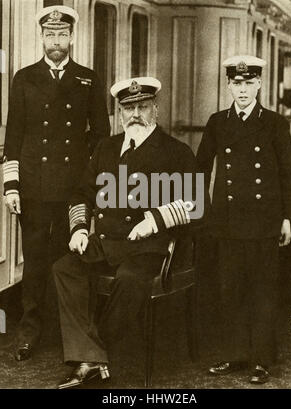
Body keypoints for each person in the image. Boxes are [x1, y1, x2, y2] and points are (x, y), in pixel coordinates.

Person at [53, 76, 203, 389]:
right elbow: (81, 193)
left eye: (142, 107)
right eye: (128, 107)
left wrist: (156, 218)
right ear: (120, 113)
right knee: (64, 268)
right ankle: (93, 356)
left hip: (150, 247)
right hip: (106, 242)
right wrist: (80, 229)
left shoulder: (176, 151)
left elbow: (198, 202)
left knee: (130, 279)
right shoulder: (105, 148)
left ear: (156, 110)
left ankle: (94, 355)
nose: (135, 114)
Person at [2, 5, 110, 361]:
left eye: (62, 35)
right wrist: (11, 187)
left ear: (72, 37)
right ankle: (30, 333)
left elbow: (102, 138)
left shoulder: (89, 79)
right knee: (33, 263)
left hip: (72, 191)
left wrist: (91, 186)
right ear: (42, 37)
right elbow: (14, 136)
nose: (56, 42)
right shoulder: (24, 78)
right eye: (50, 35)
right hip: (33, 188)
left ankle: (72, 335)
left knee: (72, 262)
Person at [196, 55, 291, 384]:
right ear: (228, 85)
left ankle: (261, 360)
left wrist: (288, 219)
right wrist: (203, 209)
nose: (242, 89)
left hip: (264, 221)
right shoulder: (217, 122)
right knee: (230, 288)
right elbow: (200, 168)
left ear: (259, 85)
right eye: (236, 83)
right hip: (226, 222)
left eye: (248, 83)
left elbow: (290, 176)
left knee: (262, 291)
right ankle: (234, 355)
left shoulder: (274, 123)